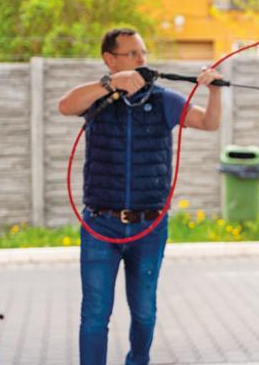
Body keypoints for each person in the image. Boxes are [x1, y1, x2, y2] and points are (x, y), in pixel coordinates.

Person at [58, 28, 222, 365]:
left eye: (143, 53)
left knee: (144, 312)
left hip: (149, 228)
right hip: (100, 226)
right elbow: (65, 105)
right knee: (94, 315)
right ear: (110, 59)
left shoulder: (164, 100)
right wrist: (109, 85)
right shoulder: (98, 99)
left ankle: (138, 360)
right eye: (132, 54)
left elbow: (208, 122)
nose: (141, 60)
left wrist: (214, 91)